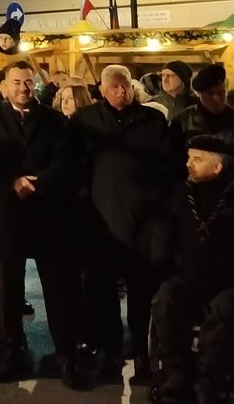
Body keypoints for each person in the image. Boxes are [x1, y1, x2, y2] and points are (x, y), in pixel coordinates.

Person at [0, 61, 83, 386]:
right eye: (17, 82)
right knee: (6, 294)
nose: (23, 88)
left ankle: (66, 355)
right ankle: (9, 354)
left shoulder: (53, 120)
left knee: (59, 292)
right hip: (6, 215)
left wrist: (39, 181)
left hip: (49, 214)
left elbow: (65, 158)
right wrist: (11, 182)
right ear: (3, 86)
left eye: (28, 82)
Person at [75, 64, 185, 383]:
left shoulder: (152, 120)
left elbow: (169, 167)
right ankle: (110, 350)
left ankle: (141, 352)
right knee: (102, 292)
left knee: (141, 292)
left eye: (126, 87)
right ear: (103, 90)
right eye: (115, 87)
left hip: (143, 222)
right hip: (101, 222)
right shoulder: (86, 122)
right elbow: (77, 166)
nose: (122, 92)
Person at [150, 134, 234, 404]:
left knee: (224, 311)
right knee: (165, 300)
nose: (188, 164)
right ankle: (177, 373)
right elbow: (163, 236)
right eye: (188, 158)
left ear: (218, 167)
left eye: (197, 159)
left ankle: (207, 379)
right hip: (189, 277)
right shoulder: (179, 194)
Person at [172, 63, 234, 144]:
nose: (217, 99)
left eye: (221, 93)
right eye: (210, 94)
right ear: (199, 94)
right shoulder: (182, 121)